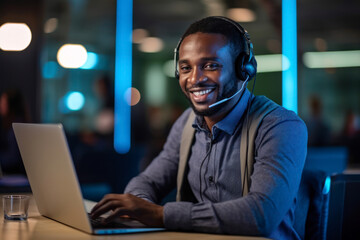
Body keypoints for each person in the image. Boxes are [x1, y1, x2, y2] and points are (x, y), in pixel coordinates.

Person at [91, 16, 307, 238]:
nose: (194, 79)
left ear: (243, 69)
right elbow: (148, 181)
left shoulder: (280, 126)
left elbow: (261, 215)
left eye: (210, 65)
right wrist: (140, 208)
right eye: (185, 67)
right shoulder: (186, 122)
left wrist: (162, 215)